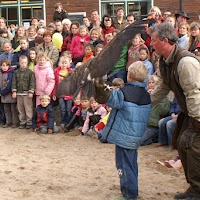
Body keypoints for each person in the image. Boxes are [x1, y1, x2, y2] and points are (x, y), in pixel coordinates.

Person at [149, 22, 200, 199]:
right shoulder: (165, 62)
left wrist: (196, 122)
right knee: (182, 144)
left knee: (191, 144)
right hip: (190, 112)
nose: (151, 43)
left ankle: (197, 191)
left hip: (197, 113)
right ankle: (195, 189)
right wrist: (144, 102)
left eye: (154, 40)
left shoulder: (185, 61)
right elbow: (163, 87)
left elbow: (195, 93)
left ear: (164, 40)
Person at [99, 61, 151, 200]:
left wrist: (99, 84)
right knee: (131, 164)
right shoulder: (146, 95)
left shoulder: (124, 92)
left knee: (123, 165)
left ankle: (129, 194)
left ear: (130, 75)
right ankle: (132, 191)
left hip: (124, 137)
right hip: (135, 136)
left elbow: (109, 99)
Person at [11, 55, 35, 129]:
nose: (23, 64)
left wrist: (31, 91)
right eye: (22, 63)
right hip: (19, 93)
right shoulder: (16, 72)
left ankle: (29, 122)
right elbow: (14, 82)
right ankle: (22, 122)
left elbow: (32, 82)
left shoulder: (30, 72)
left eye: (25, 63)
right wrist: (14, 91)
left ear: (27, 63)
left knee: (28, 108)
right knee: (20, 108)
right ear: (19, 63)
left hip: (27, 93)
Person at [52, 56, 72, 127]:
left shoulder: (71, 72)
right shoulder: (57, 72)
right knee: (62, 108)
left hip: (69, 94)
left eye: (65, 63)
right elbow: (55, 84)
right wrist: (54, 94)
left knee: (69, 109)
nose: (64, 65)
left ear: (68, 64)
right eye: (62, 63)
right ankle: (63, 122)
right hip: (60, 93)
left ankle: (69, 122)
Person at [0, 58, 19, 128]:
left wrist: (2, 93)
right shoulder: (0, 73)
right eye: (3, 65)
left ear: (9, 66)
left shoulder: (10, 73)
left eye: (6, 66)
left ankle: (15, 122)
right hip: (3, 96)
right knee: (6, 110)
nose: (5, 67)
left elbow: (9, 85)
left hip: (10, 94)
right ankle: (8, 122)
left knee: (13, 109)